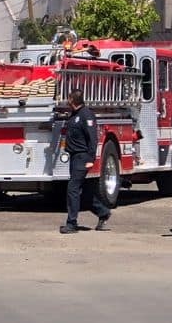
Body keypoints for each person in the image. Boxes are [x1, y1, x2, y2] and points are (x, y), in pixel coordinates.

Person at [59, 88, 111, 234]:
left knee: (73, 188)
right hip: (74, 156)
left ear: (72, 100)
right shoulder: (74, 114)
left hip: (82, 157)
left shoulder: (86, 115)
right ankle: (103, 212)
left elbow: (93, 138)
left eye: (68, 98)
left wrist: (90, 158)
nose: (67, 101)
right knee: (82, 192)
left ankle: (71, 223)